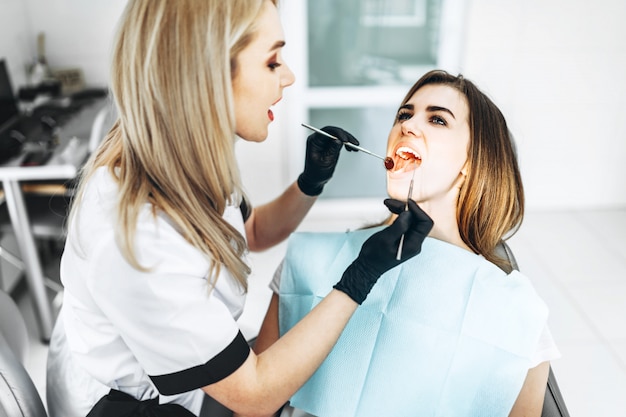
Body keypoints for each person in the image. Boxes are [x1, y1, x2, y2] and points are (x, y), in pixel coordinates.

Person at [45, 1, 435, 416]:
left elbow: (251, 232)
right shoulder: (140, 236)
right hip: (125, 401)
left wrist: (310, 182)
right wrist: (360, 277)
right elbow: (253, 396)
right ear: (206, 77)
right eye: (271, 62)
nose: (288, 77)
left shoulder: (188, 158)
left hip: (195, 373)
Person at [253, 70, 560, 417]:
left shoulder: (518, 313)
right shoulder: (307, 260)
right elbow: (251, 403)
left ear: (473, 162)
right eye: (404, 114)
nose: (408, 126)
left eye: (438, 120)